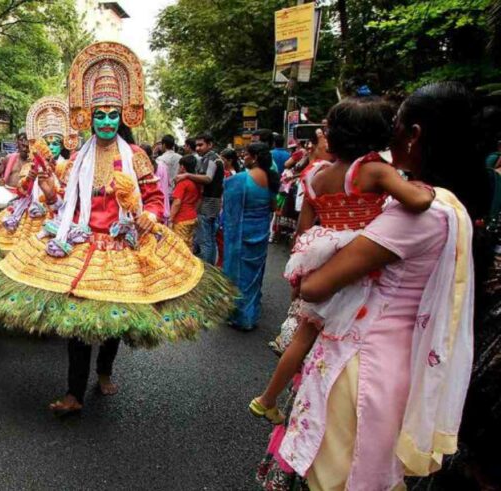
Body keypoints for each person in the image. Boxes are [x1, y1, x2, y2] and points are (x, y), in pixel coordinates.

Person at [0, 42, 236, 416]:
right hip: (80, 244)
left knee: (112, 320)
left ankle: (106, 370)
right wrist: (49, 190)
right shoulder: (78, 158)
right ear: (90, 117)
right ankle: (74, 393)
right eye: (100, 114)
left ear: (123, 117)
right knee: (77, 326)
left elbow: (155, 198)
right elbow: (64, 200)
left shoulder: (137, 157)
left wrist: (150, 215)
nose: (107, 121)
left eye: (113, 115)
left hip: (120, 245)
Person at [256, 82, 478, 491]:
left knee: (340, 474)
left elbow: (317, 287)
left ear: (413, 135)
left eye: (396, 123)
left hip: (360, 365)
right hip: (400, 360)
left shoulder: (416, 215)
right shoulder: (450, 204)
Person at [0, 95, 76, 250]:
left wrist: (54, 189)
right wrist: (29, 180)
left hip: (57, 215)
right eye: (47, 143)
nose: (51, 148)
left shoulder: (67, 166)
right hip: (29, 212)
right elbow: (21, 191)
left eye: (55, 144)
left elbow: (70, 195)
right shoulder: (31, 166)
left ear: (63, 145)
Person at [221, 143, 279, 331]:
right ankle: (251, 314)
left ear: (253, 158)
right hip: (261, 231)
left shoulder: (239, 180)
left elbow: (229, 213)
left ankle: (240, 317)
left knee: (239, 274)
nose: (243, 157)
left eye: (246, 155)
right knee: (254, 275)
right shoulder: (271, 178)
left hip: (241, 232)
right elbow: (272, 207)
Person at [178, 131, 223, 264]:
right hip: (213, 202)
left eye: (200, 145)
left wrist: (187, 175)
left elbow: (208, 178)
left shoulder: (211, 158)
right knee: (209, 238)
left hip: (209, 202)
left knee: (206, 240)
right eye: (196, 145)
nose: (197, 148)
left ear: (210, 144)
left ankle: (207, 268)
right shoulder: (211, 158)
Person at [170, 154, 200, 245]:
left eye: (180, 166)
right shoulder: (196, 182)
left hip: (181, 219)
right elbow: (199, 200)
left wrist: (171, 219)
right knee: (189, 245)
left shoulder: (182, 183)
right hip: (192, 217)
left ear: (183, 167)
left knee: (180, 247)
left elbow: (177, 202)